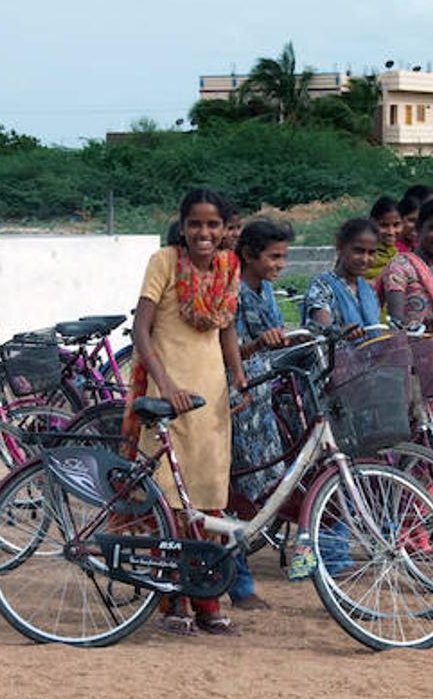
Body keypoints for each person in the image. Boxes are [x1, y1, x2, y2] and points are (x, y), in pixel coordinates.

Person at [128, 189, 247, 636]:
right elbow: (142, 330)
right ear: (182, 226)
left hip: (211, 398)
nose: (204, 233)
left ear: (224, 229)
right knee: (170, 504)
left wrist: (238, 378)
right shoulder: (164, 262)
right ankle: (172, 601)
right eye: (195, 224)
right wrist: (166, 384)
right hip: (168, 394)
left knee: (209, 499)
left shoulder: (228, 268)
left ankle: (207, 599)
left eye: (213, 225)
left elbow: (227, 329)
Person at [227, 219, 295, 612]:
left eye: (283, 257)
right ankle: (239, 583)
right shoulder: (232, 290)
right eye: (274, 256)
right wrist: (256, 345)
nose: (280, 264)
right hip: (238, 399)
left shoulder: (265, 289)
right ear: (250, 255)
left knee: (260, 490)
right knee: (234, 494)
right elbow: (228, 347)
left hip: (263, 399)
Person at [382, 198, 433, 329]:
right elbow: (396, 322)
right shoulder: (400, 267)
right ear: (419, 228)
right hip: (411, 348)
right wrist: (422, 323)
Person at [305, 218, 381, 334]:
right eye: (358, 251)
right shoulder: (322, 285)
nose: (365, 259)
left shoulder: (368, 290)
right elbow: (322, 322)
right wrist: (338, 332)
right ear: (340, 247)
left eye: (371, 253)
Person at [362, 195, 402, 282]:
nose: (391, 232)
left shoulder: (396, 254)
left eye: (396, 225)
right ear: (372, 222)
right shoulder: (362, 253)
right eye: (384, 225)